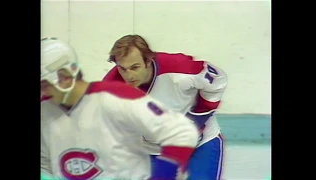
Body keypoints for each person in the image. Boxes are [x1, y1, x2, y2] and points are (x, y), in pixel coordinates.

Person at [41, 37, 199, 180]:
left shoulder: (116, 97)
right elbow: (46, 165)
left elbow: (181, 132)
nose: (43, 92)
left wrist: (163, 175)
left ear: (65, 76)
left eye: (44, 84)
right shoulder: (44, 111)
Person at [102, 35, 228, 180]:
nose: (129, 76)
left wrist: (200, 115)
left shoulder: (179, 68)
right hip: (153, 151)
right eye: (122, 69)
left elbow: (218, 80)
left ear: (148, 61)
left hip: (201, 143)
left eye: (134, 67)